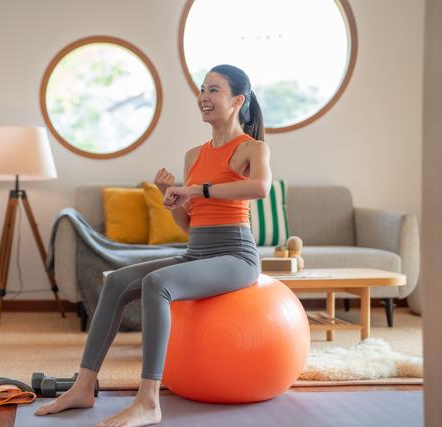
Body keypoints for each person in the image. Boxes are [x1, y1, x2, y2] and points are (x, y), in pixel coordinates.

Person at [35, 64, 272, 426]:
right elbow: (188, 224)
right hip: (198, 251)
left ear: (237, 100)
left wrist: (195, 189)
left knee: (157, 283)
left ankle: (148, 401)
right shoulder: (194, 155)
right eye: (202, 89)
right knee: (115, 281)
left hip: (236, 255)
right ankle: (84, 385)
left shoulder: (252, 149)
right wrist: (171, 197)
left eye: (213, 90)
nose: (203, 97)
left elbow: (260, 188)